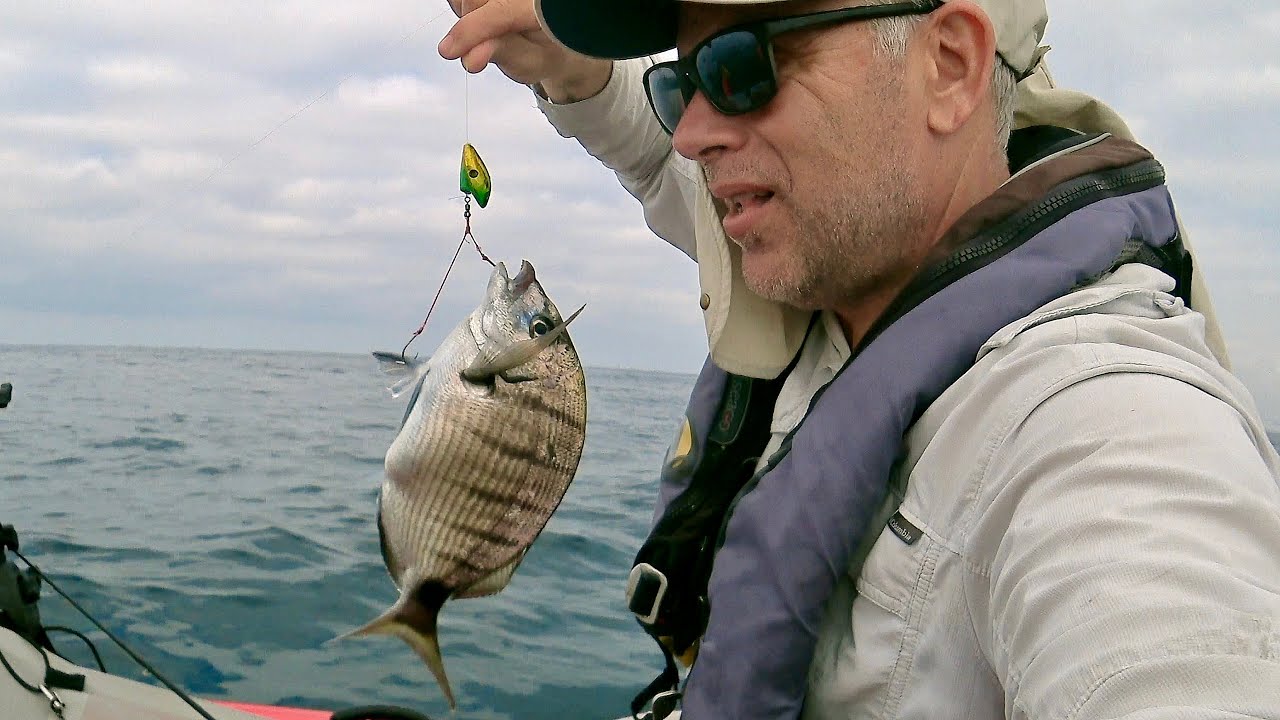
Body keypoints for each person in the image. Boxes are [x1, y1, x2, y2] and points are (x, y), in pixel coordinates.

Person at [439, 1, 1280, 718]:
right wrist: (574, 72)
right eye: (681, 81)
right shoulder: (826, 249)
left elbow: (1183, 651)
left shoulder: (1111, 434)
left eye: (741, 67)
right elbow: (657, 154)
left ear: (949, 67)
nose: (694, 132)